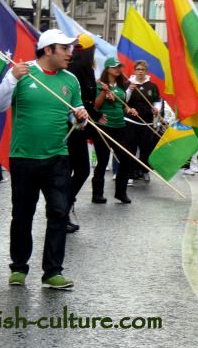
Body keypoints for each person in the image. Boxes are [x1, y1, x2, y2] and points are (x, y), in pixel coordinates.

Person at [0, 29, 88, 289]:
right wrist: (11, 78)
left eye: (71, 48)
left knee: (58, 212)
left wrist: (80, 118)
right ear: (48, 50)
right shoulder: (22, 73)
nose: (70, 53)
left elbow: (75, 118)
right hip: (23, 156)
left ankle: (52, 272)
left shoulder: (71, 80)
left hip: (58, 156)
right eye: (64, 48)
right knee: (22, 214)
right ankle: (19, 267)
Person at [91, 57, 137, 204]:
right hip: (105, 127)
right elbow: (96, 107)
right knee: (103, 161)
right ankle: (97, 194)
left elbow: (122, 104)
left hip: (120, 126)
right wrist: (104, 92)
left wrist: (130, 109)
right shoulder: (99, 84)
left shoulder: (121, 85)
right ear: (108, 69)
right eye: (115, 67)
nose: (118, 69)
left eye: (119, 67)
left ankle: (121, 193)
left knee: (125, 159)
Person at [66, 33, 100, 229]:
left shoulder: (86, 69)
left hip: (81, 126)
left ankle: (64, 205)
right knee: (80, 170)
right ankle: (64, 206)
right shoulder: (75, 70)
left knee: (76, 170)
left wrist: (94, 113)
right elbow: (77, 101)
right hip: (71, 128)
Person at [125, 60, 161, 182]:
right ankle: (130, 174)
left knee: (146, 149)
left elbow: (157, 100)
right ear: (134, 71)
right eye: (138, 69)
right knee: (131, 149)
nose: (140, 72)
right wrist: (129, 90)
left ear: (146, 71)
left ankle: (144, 170)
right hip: (132, 122)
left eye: (143, 70)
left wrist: (156, 108)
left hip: (147, 122)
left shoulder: (152, 85)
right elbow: (124, 100)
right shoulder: (129, 83)